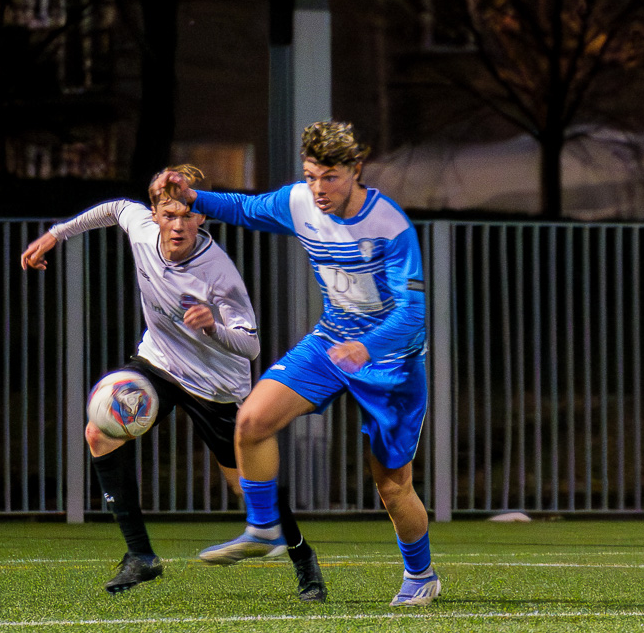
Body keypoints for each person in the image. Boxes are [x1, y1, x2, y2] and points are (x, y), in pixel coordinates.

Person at [155, 121, 440, 607]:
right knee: (251, 420)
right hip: (330, 343)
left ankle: (421, 574)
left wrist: (367, 347)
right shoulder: (300, 203)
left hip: (391, 362)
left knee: (393, 487)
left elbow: (413, 314)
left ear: (356, 170)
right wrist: (193, 196)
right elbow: (244, 207)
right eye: (310, 176)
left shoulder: (390, 226)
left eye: (329, 177)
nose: (318, 189)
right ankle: (264, 528)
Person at [22, 165, 325, 599]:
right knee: (99, 431)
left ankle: (304, 561)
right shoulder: (141, 229)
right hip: (159, 364)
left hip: (216, 386)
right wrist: (57, 234)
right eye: (169, 215)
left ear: (201, 217)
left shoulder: (219, 273)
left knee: (247, 485)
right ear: (155, 214)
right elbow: (113, 209)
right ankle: (140, 555)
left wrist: (213, 328)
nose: (178, 225)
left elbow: (251, 346)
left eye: (186, 215)